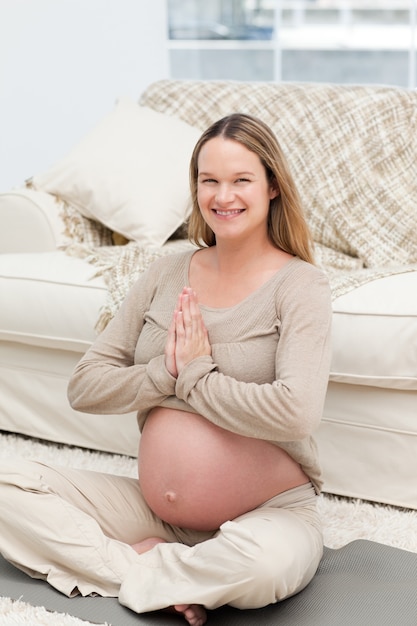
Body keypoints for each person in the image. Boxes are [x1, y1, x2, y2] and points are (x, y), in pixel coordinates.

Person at [0, 113, 332, 626]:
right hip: (154, 514)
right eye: (209, 180)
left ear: (272, 187)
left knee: (262, 568)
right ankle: (165, 572)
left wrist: (196, 373)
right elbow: (85, 386)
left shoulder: (301, 285)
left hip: (268, 515)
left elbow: (296, 413)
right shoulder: (167, 271)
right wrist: (164, 373)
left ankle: (146, 569)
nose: (224, 196)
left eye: (241, 179)